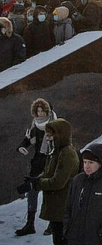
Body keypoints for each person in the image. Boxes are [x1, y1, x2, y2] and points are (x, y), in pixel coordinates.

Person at [23, 118, 80, 245]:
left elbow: (57, 182)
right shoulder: (56, 151)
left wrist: (38, 183)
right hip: (57, 206)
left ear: (59, 134)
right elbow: (49, 172)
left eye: (50, 135)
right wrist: (36, 179)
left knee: (63, 240)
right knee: (57, 239)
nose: (47, 138)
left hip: (63, 206)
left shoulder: (67, 154)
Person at [15, 99, 58, 236]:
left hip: (51, 161)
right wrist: (22, 147)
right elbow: (28, 138)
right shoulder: (34, 124)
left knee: (50, 192)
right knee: (32, 192)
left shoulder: (56, 123)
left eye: (43, 111)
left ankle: (53, 223)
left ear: (48, 111)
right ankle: (30, 223)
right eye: (38, 111)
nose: (40, 114)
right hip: (37, 162)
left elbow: (63, 141)